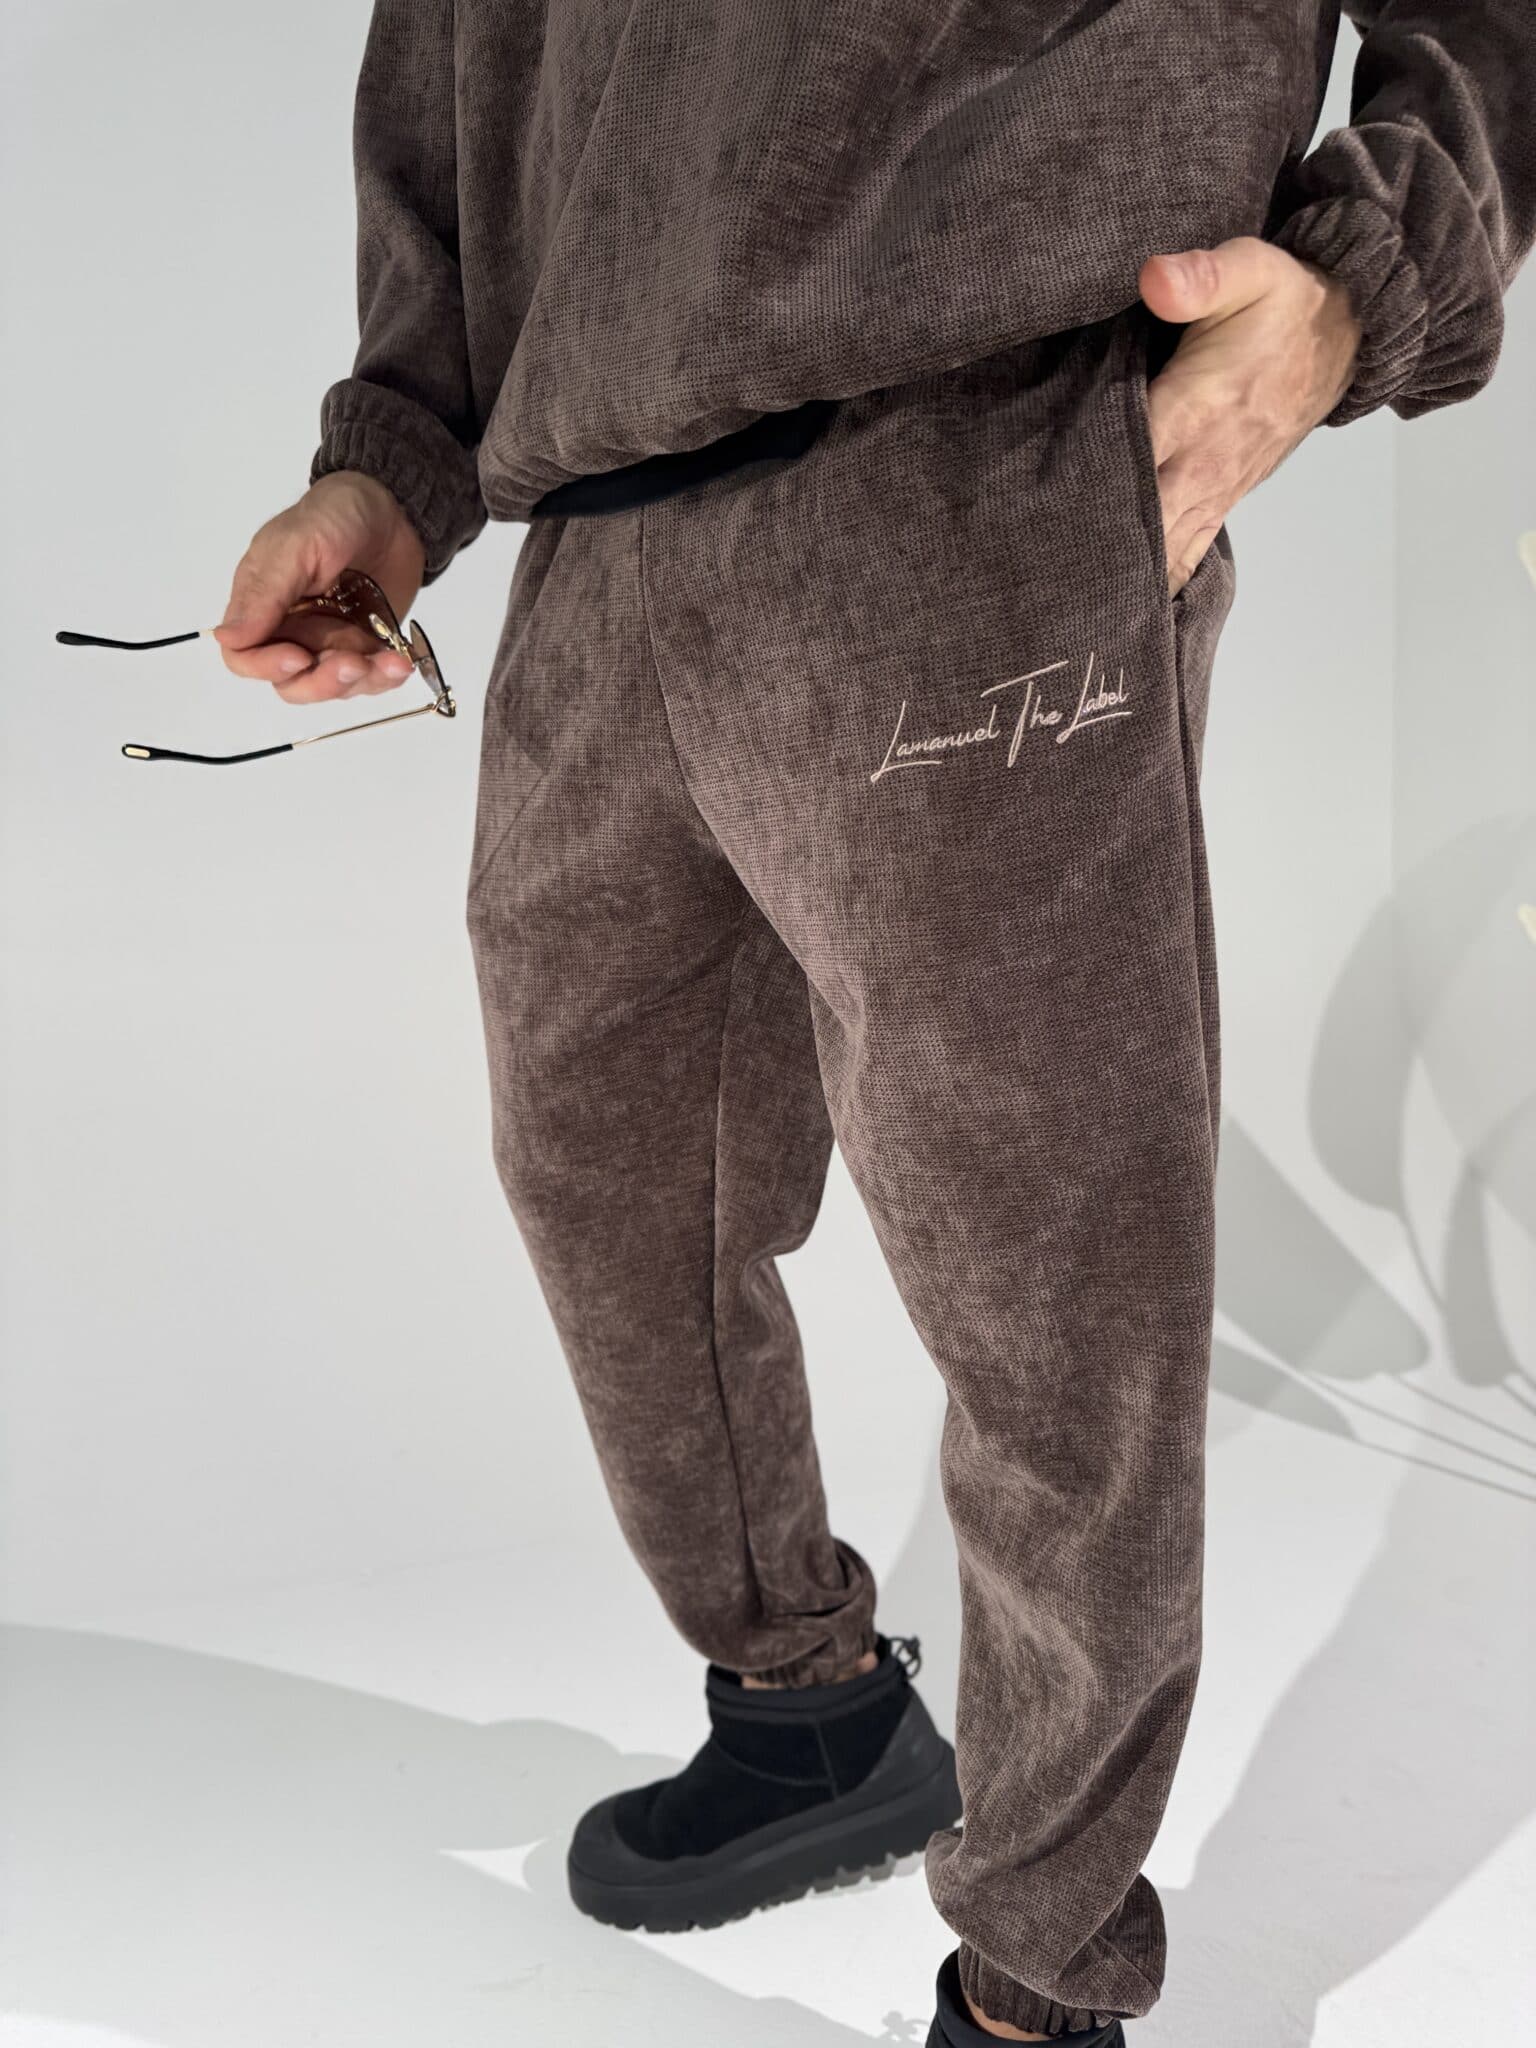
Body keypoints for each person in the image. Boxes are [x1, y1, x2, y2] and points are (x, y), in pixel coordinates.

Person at [212, 4, 1535, 2039]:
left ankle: (1039, 1967)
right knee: (606, 1181)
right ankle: (809, 1707)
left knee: (1046, 1272)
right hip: (604, 513)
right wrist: (395, 453)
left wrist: (1362, 282)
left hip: (975, 450)